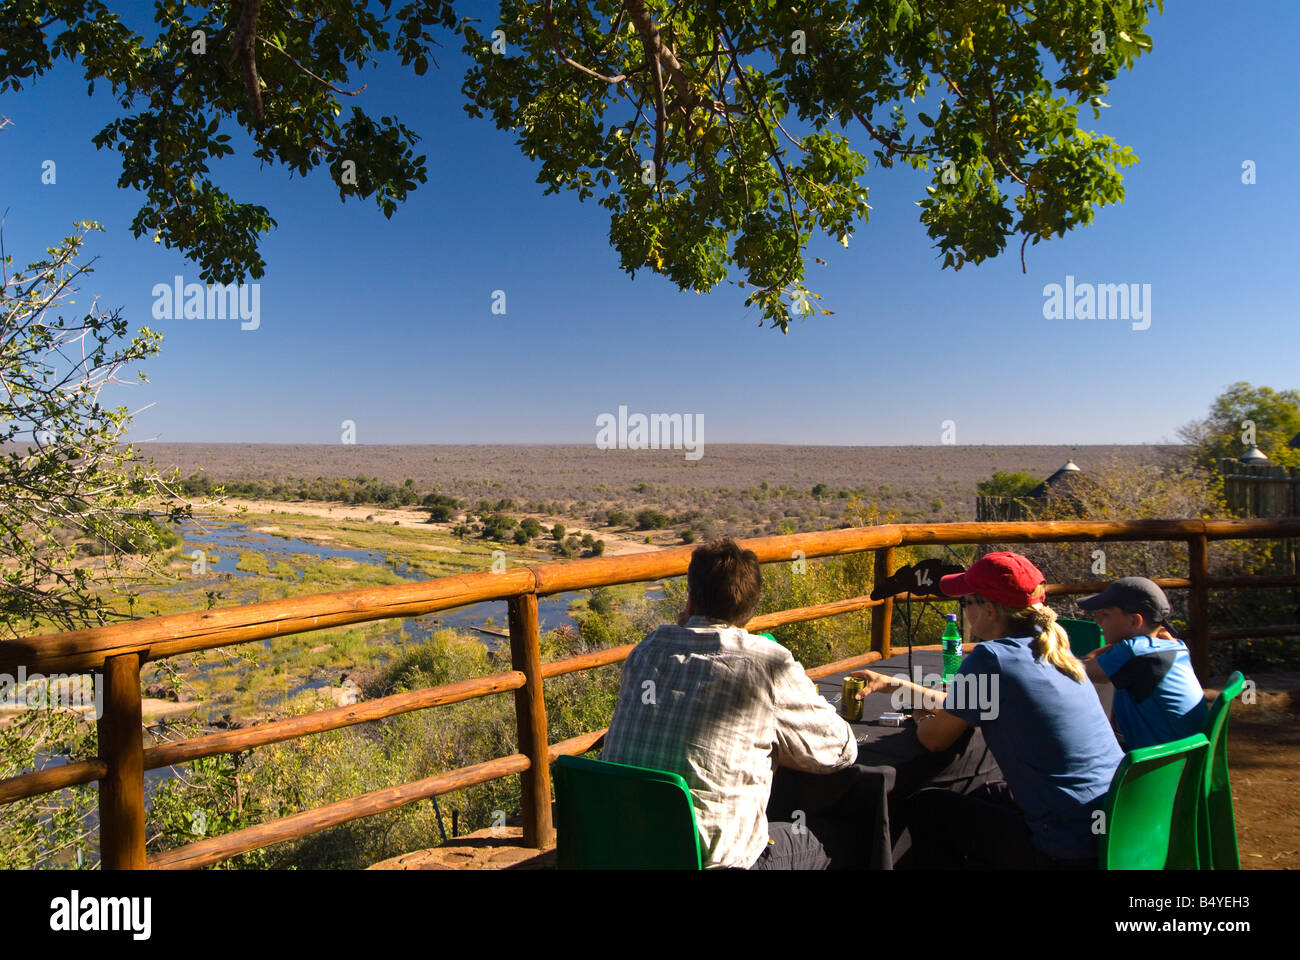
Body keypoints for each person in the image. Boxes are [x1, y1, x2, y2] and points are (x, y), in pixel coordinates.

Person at [850, 551, 1123, 869]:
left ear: (989, 610)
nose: (964, 611)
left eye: (966, 602)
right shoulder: (1050, 648)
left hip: (1063, 846)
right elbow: (966, 703)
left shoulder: (991, 658)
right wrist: (892, 684)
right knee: (985, 794)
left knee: (929, 806)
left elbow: (934, 740)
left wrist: (922, 717)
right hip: (1111, 825)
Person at [600, 538, 860, 869]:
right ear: (751, 608)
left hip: (627, 848)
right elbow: (839, 752)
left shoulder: (646, 651)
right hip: (714, 862)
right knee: (842, 835)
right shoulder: (766, 662)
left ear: (691, 600)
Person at [1076, 576, 1208, 750]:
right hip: (1183, 758)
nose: (1097, 621)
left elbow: (1074, 670)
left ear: (1134, 621)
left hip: (1158, 766)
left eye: (1105, 615)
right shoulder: (1172, 646)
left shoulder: (1134, 653)